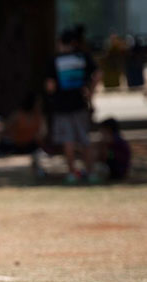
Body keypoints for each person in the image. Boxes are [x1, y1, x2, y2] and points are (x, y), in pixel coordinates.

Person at [45, 29, 100, 184]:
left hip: (61, 106)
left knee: (67, 141)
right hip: (80, 104)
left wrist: (51, 96)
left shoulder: (55, 60)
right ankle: (91, 172)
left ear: (60, 42)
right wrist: (91, 92)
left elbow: (50, 86)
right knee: (84, 139)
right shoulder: (82, 57)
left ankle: (72, 173)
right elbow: (97, 74)